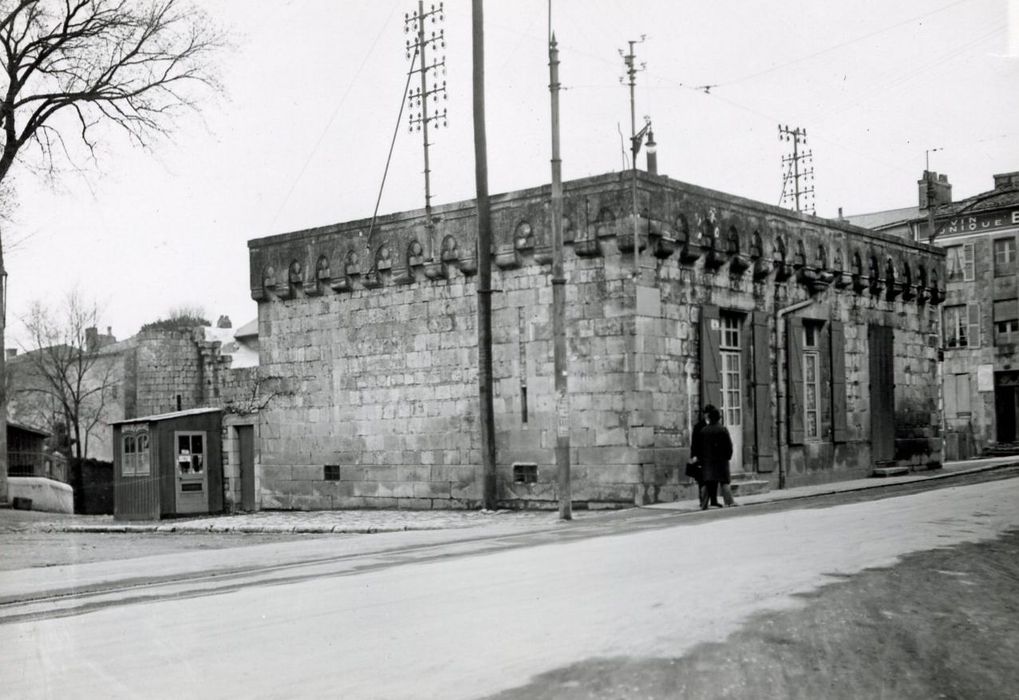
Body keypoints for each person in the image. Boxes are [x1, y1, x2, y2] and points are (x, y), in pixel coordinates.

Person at [690, 405, 733, 510]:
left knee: (706, 482)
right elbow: (729, 446)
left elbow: (698, 446)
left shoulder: (704, 430)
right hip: (721, 461)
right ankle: (729, 502)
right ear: (718, 418)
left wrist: (699, 458)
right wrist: (728, 456)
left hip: (707, 461)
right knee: (724, 482)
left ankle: (704, 504)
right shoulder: (723, 429)